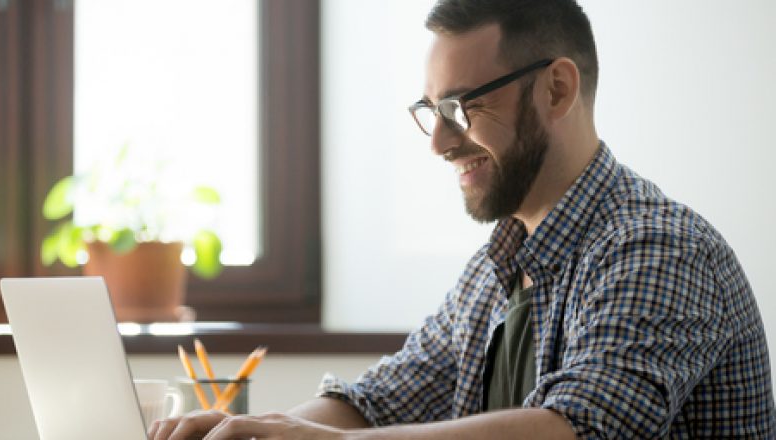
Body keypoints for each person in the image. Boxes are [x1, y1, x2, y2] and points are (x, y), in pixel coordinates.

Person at [150, 0, 776, 438]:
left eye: (460, 106)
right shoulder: (497, 266)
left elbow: (579, 428)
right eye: (430, 110)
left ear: (557, 89)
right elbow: (378, 402)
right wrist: (253, 431)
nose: (440, 142)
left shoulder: (659, 247)